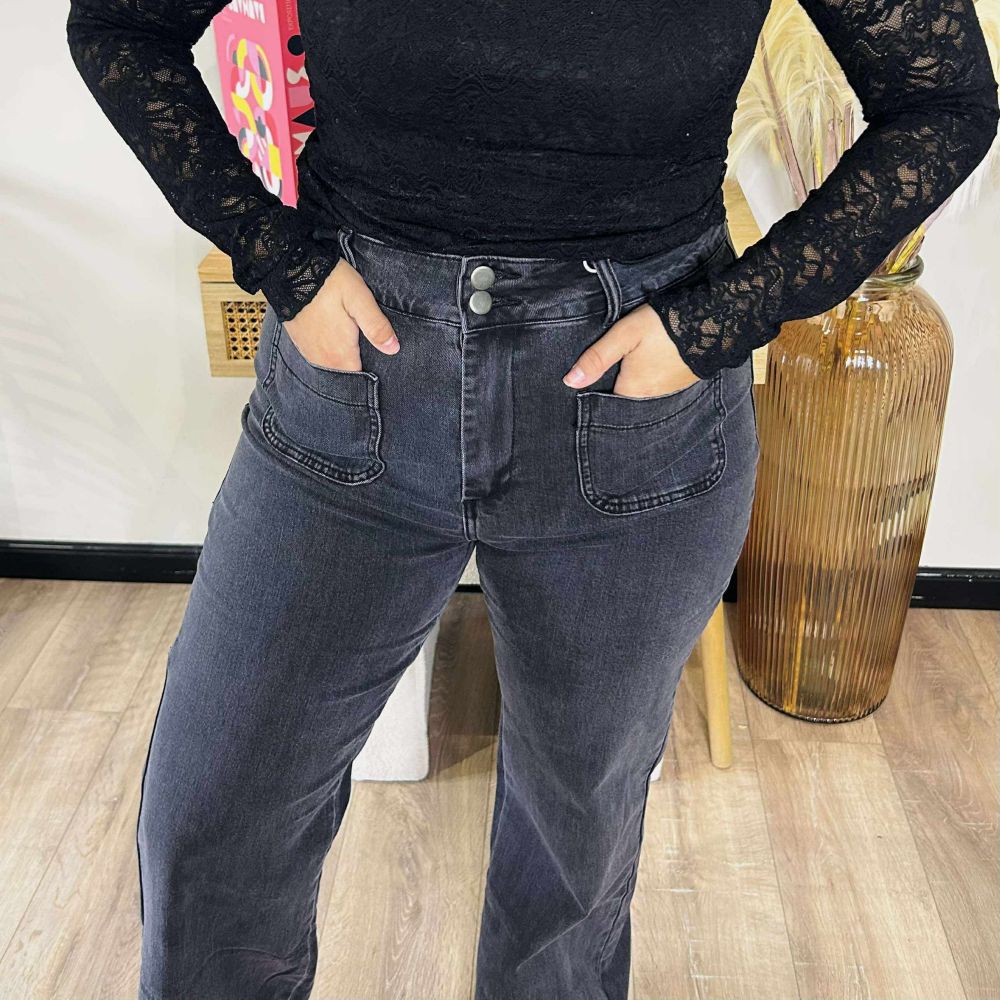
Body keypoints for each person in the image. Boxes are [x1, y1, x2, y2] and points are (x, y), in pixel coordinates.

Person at [65, 1, 999, 998]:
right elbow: (120, 24)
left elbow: (942, 100)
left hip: (631, 413)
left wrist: (718, 322)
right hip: (357, 389)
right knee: (213, 820)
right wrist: (280, 261)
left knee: (570, 864)